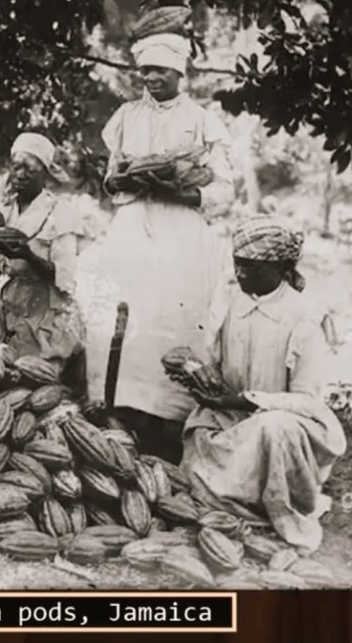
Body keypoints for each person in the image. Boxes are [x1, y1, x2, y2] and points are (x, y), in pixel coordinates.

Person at [75, 24, 235, 461]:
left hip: (181, 232)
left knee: (175, 321)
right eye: (145, 71)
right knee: (124, 323)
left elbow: (223, 190)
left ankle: (172, 421)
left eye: (161, 71)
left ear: (179, 73)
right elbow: (109, 179)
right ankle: (121, 413)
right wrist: (125, 179)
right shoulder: (127, 116)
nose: (151, 79)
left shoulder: (202, 121)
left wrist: (180, 191)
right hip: (132, 226)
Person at [168, 216, 347, 554]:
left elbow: (307, 401)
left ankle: (276, 507)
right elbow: (216, 366)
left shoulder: (304, 317)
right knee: (199, 428)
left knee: (273, 427)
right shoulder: (232, 302)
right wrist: (194, 375)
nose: (242, 274)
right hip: (231, 419)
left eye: (253, 267)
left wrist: (243, 401)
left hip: (285, 425)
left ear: (280, 268)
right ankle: (227, 501)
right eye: (238, 264)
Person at [0, 133, 88, 388]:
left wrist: (28, 255)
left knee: (36, 384)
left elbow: (65, 277)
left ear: (45, 173)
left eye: (29, 169)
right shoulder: (6, 210)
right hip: (13, 308)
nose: (20, 174)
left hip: (47, 310)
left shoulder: (60, 213)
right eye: (16, 166)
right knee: (0, 378)